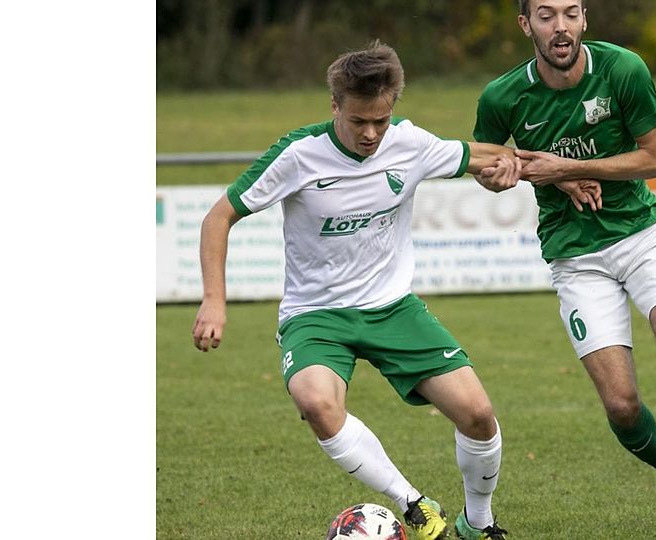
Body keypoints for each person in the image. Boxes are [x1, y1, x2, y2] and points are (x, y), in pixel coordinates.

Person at [191, 41, 522, 540]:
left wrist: (560, 177)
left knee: (478, 415)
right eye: (358, 121)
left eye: (381, 122)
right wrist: (214, 299)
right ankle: (412, 503)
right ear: (335, 107)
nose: (370, 134)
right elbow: (220, 216)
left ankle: (478, 522)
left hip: (392, 308)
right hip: (317, 314)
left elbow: (492, 158)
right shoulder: (299, 154)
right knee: (317, 402)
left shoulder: (410, 144)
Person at [471, 2, 656, 539]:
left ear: (585, 20)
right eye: (546, 15)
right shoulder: (502, 96)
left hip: (642, 236)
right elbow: (487, 164)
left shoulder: (623, 69)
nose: (560, 26)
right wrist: (519, 176)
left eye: (571, 13)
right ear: (525, 25)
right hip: (575, 257)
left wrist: (568, 167)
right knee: (623, 407)